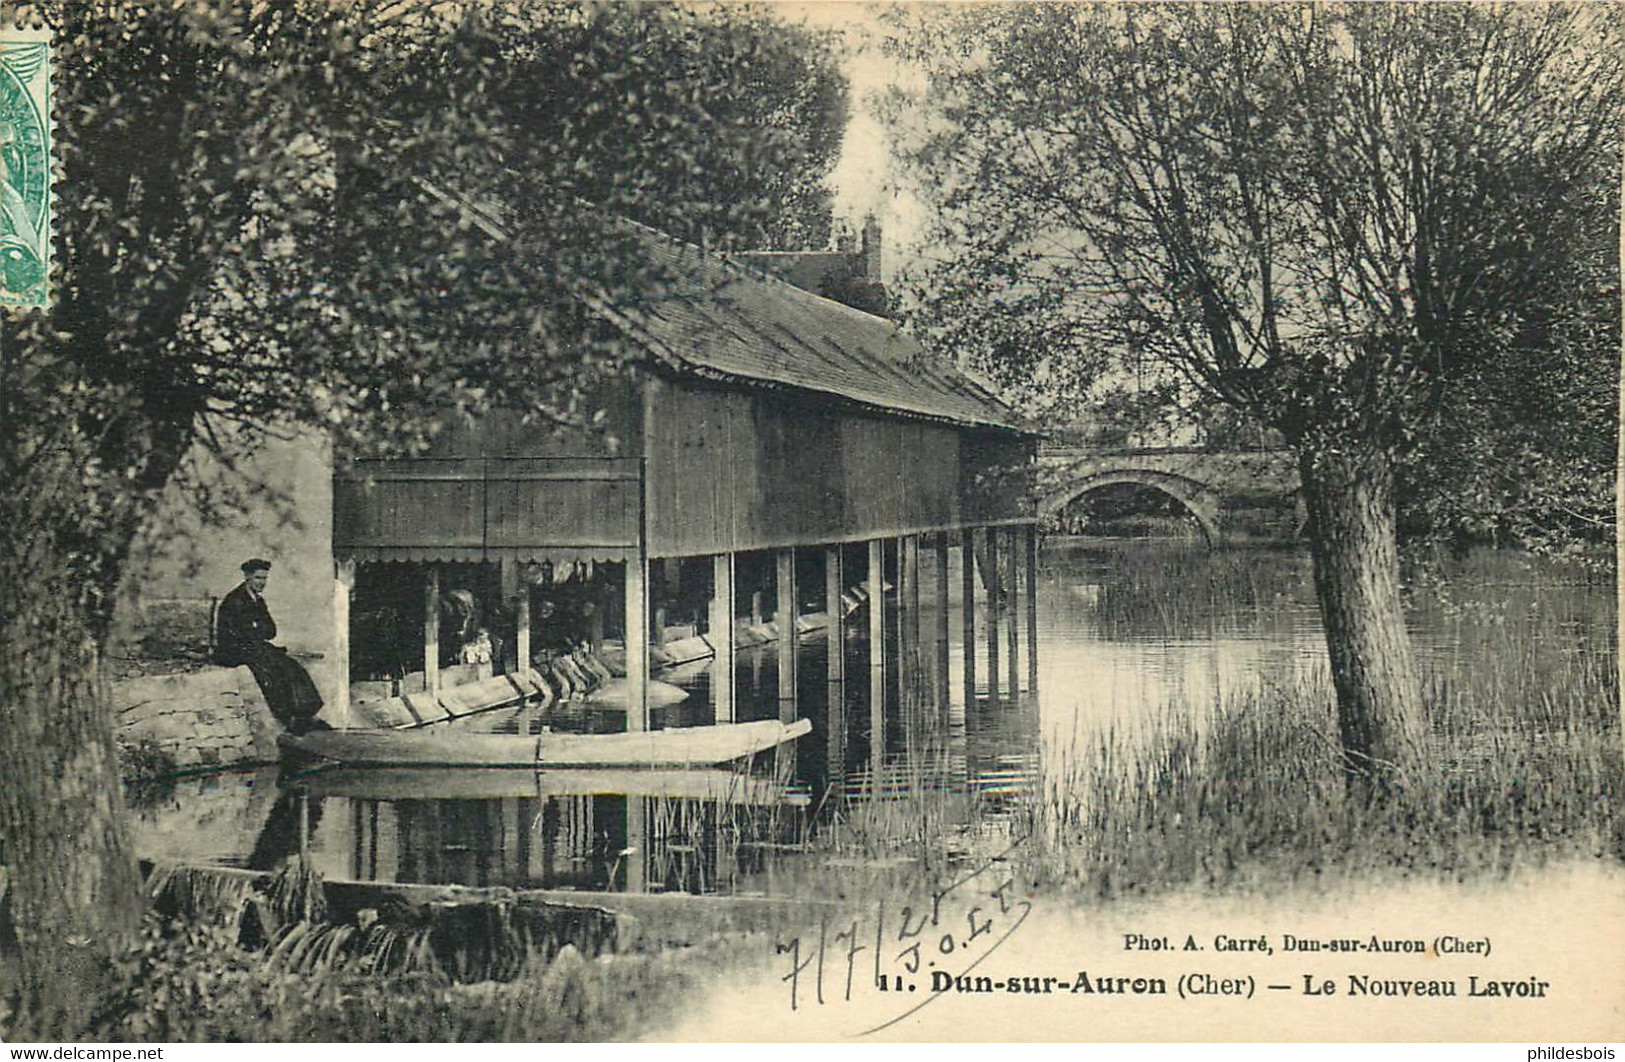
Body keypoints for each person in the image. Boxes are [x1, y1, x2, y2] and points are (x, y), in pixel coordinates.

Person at [215, 559, 325, 733]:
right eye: (258, 578)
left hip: (255, 646)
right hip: (234, 650)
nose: (262, 583)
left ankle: (307, 713)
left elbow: (271, 630)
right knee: (269, 672)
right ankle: (288, 718)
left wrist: (255, 628)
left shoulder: (259, 601)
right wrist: (256, 629)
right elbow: (235, 634)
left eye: (265, 578)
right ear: (247, 577)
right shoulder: (234, 601)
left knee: (291, 665)